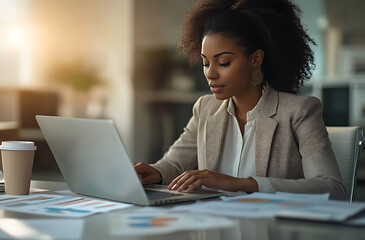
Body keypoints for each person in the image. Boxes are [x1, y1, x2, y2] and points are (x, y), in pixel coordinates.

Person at [134, 0, 346, 200]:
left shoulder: (299, 111)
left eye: (223, 62)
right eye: (206, 63)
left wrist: (243, 184)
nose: (210, 74)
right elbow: (175, 164)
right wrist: (156, 172)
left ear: (255, 59)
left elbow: (332, 188)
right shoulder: (205, 108)